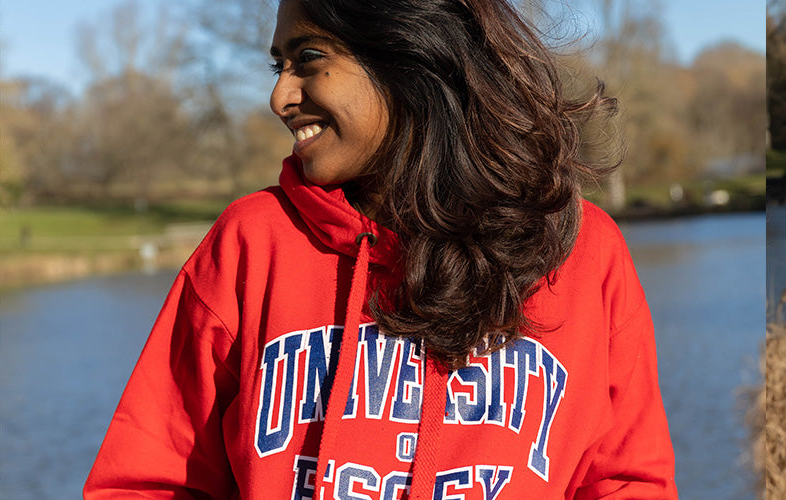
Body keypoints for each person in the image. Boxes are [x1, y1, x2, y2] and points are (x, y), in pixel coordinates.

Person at [83, 0, 676, 498]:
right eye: (277, 67)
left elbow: (624, 479)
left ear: (408, 57)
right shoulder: (252, 243)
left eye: (308, 59)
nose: (280, 97)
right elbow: (149, 480)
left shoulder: (578, 248)